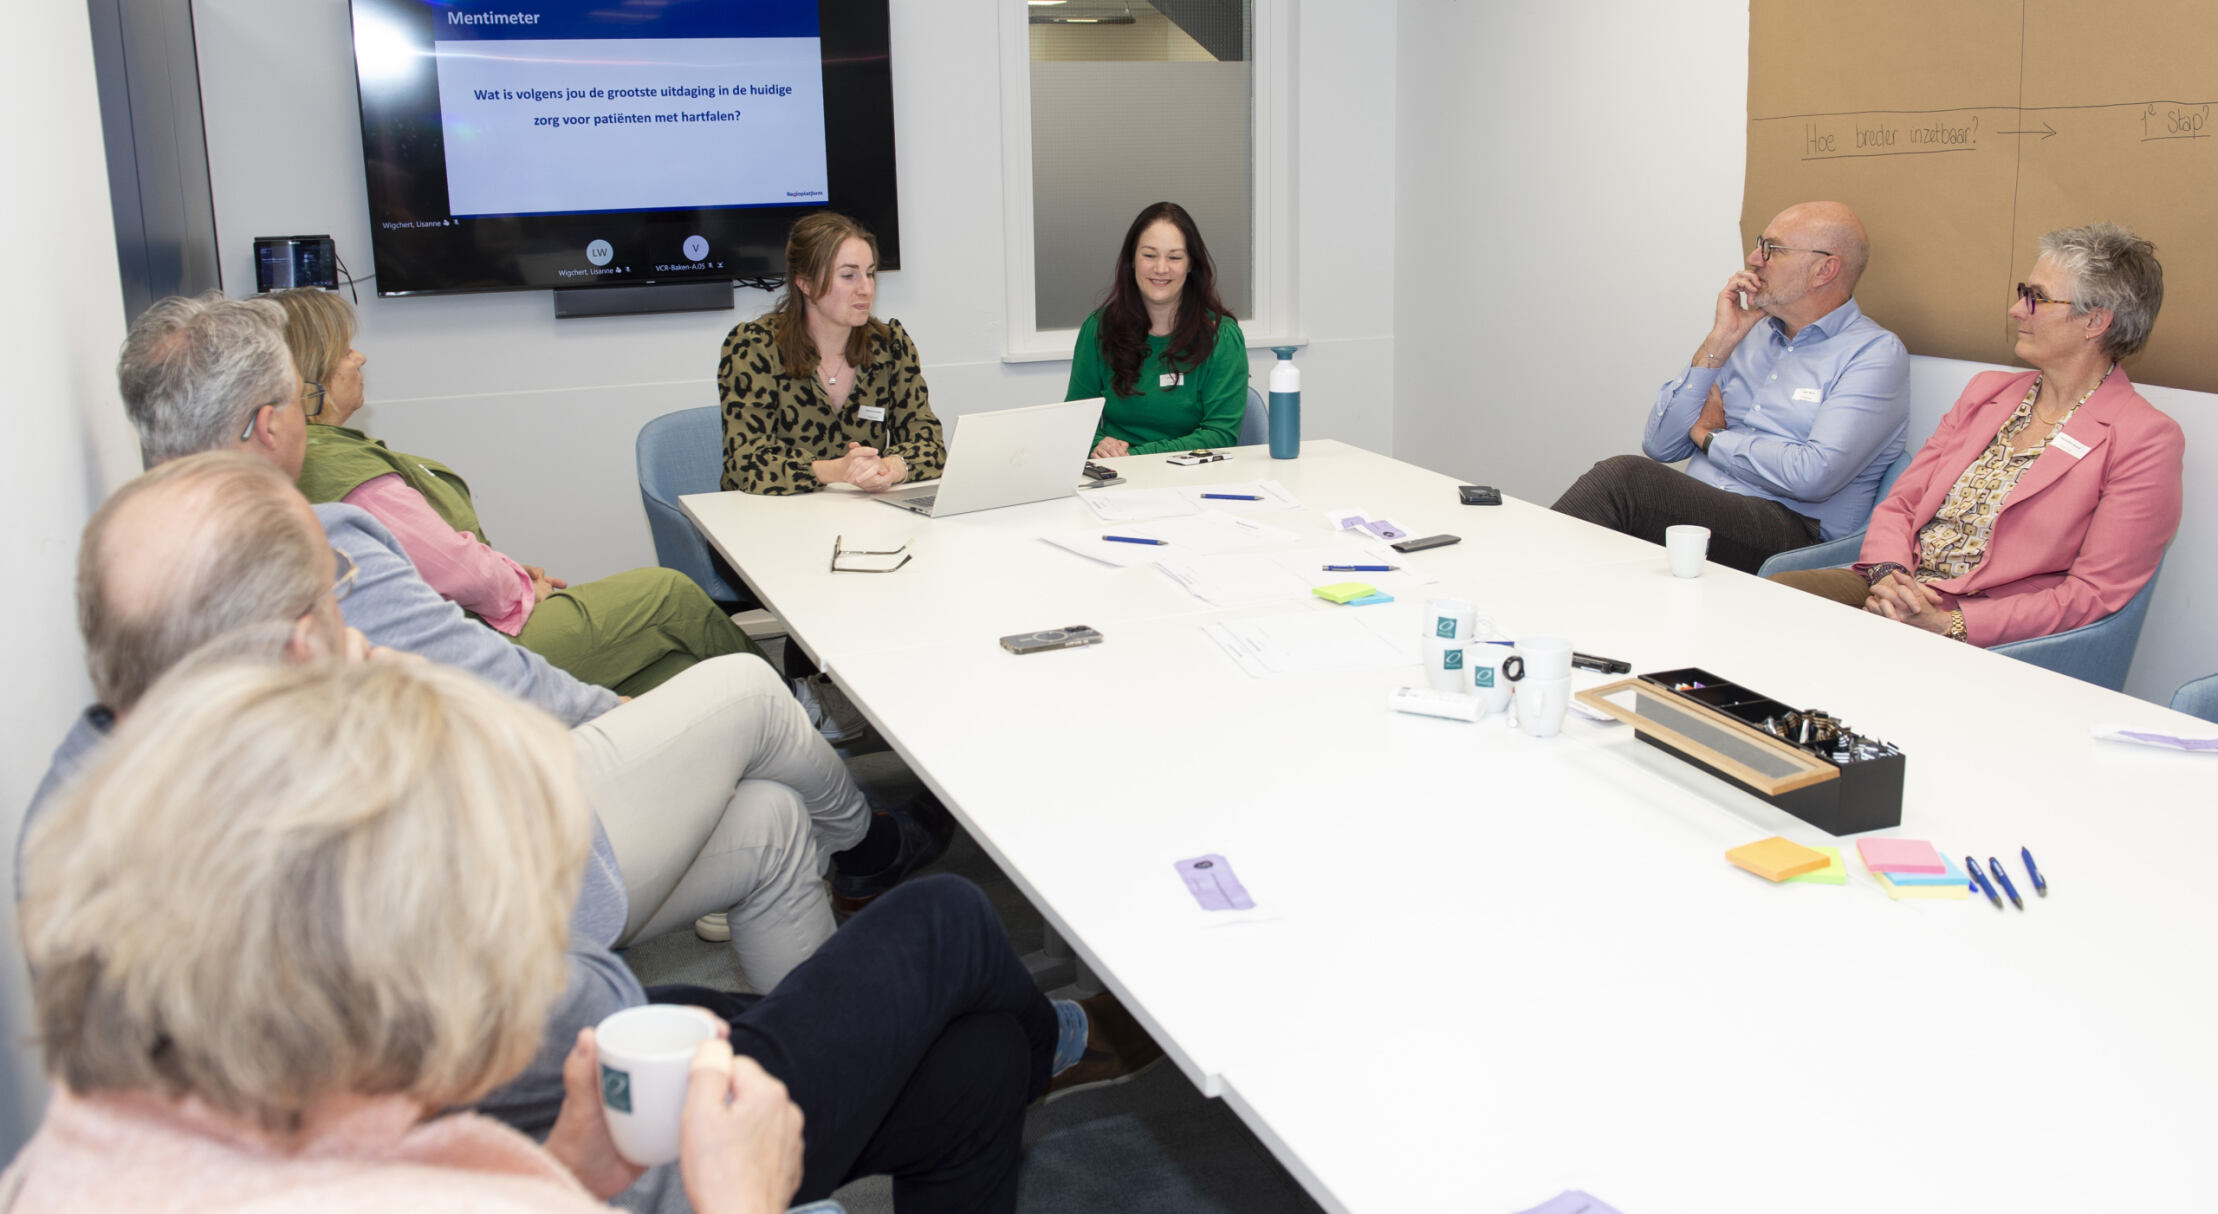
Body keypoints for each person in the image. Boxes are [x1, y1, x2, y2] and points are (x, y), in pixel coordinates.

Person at [18, 459, 1163, 1214]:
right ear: (292, 645)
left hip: (559, 1111)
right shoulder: (324, 850)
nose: (365, 632)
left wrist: (566, 1154)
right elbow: (579, 936)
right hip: (633, 1127)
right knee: (949, 916)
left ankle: (1025, 1040)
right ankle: (1048, 1027)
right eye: (337, 600)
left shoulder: (99, 812)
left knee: (970, 1062)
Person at [259, 287, 763, 701]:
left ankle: (755, 718)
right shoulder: (341, 468)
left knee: (677, 666)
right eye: (345, 349)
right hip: (470, 648)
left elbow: (431, 557)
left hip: (453, 630)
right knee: (667, 595)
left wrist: (511, 573)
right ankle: (790, 705)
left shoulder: (306, 457)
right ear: (311, 372)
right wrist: (522, 588)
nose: (360, 357)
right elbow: (457, 571)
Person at [1769, 222, 2182, 646]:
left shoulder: (2144, 439)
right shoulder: (1988, 393)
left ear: (2094, 321)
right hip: (1901, 584)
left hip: (1986, 620)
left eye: (2036, 297)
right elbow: (1902, 503)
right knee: (1771, 599)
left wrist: (1949, 624)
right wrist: (1889, 575)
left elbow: (2093, 594)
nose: (2017, 310)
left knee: (1835, 649)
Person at [1551, 201, 1910, 572]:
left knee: (1624, 483)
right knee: (1602, 543)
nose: (1754, 258)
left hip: (1793, 529)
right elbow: (1661, 444)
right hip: (1710, 506)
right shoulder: (1749, 333)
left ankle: (1519, 582)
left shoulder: (1874, 354)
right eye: (1759, 245)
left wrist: (1711, 439)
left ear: (1824, 270)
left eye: (1773, 249)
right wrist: (1719, 342)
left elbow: (1812, 475)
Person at [717, 212, 945, 496]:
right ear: (806, 283)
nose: (866, 288)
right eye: (849, 276)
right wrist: (837, 471)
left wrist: (890, 468)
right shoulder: (755, 346)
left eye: (870, 273)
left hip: (862, 513)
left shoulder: (890, 345)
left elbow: (931, 446)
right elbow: (745, 463)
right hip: (772, 514)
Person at [1065, 201, 1249, 458]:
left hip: (1193, 474)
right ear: (1132, 260)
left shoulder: (1222, 337)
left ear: (1190, 264)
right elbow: (1075, 419)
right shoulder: (1098, 329)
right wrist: (1100, 445)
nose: (1161, 268)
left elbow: (1220, 434)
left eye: (1174, 257)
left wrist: (1137, 456)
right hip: (1115, 471)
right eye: (1149, 255)